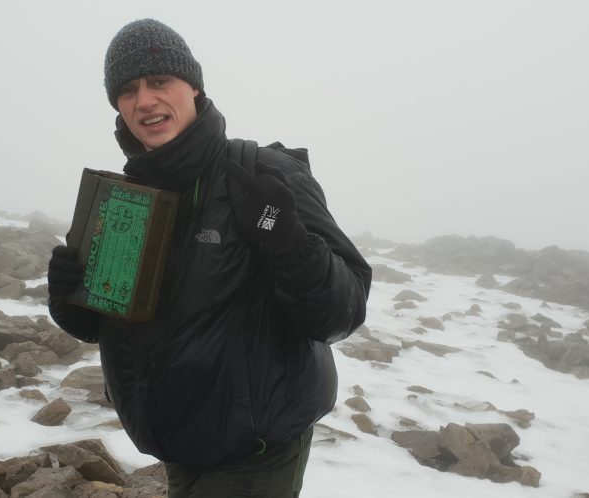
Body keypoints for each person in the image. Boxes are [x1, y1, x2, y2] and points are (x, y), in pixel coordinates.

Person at [46, 19, 372, 498]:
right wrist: (71, 298)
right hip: (178, 448)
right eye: (128, 89)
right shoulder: (129, 197)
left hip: (254, 454)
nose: (145, 100)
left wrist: (288, 240)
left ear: (193, 86)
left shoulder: (261, 174)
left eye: (160, 81)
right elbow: (116, 324)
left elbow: (343, 311)